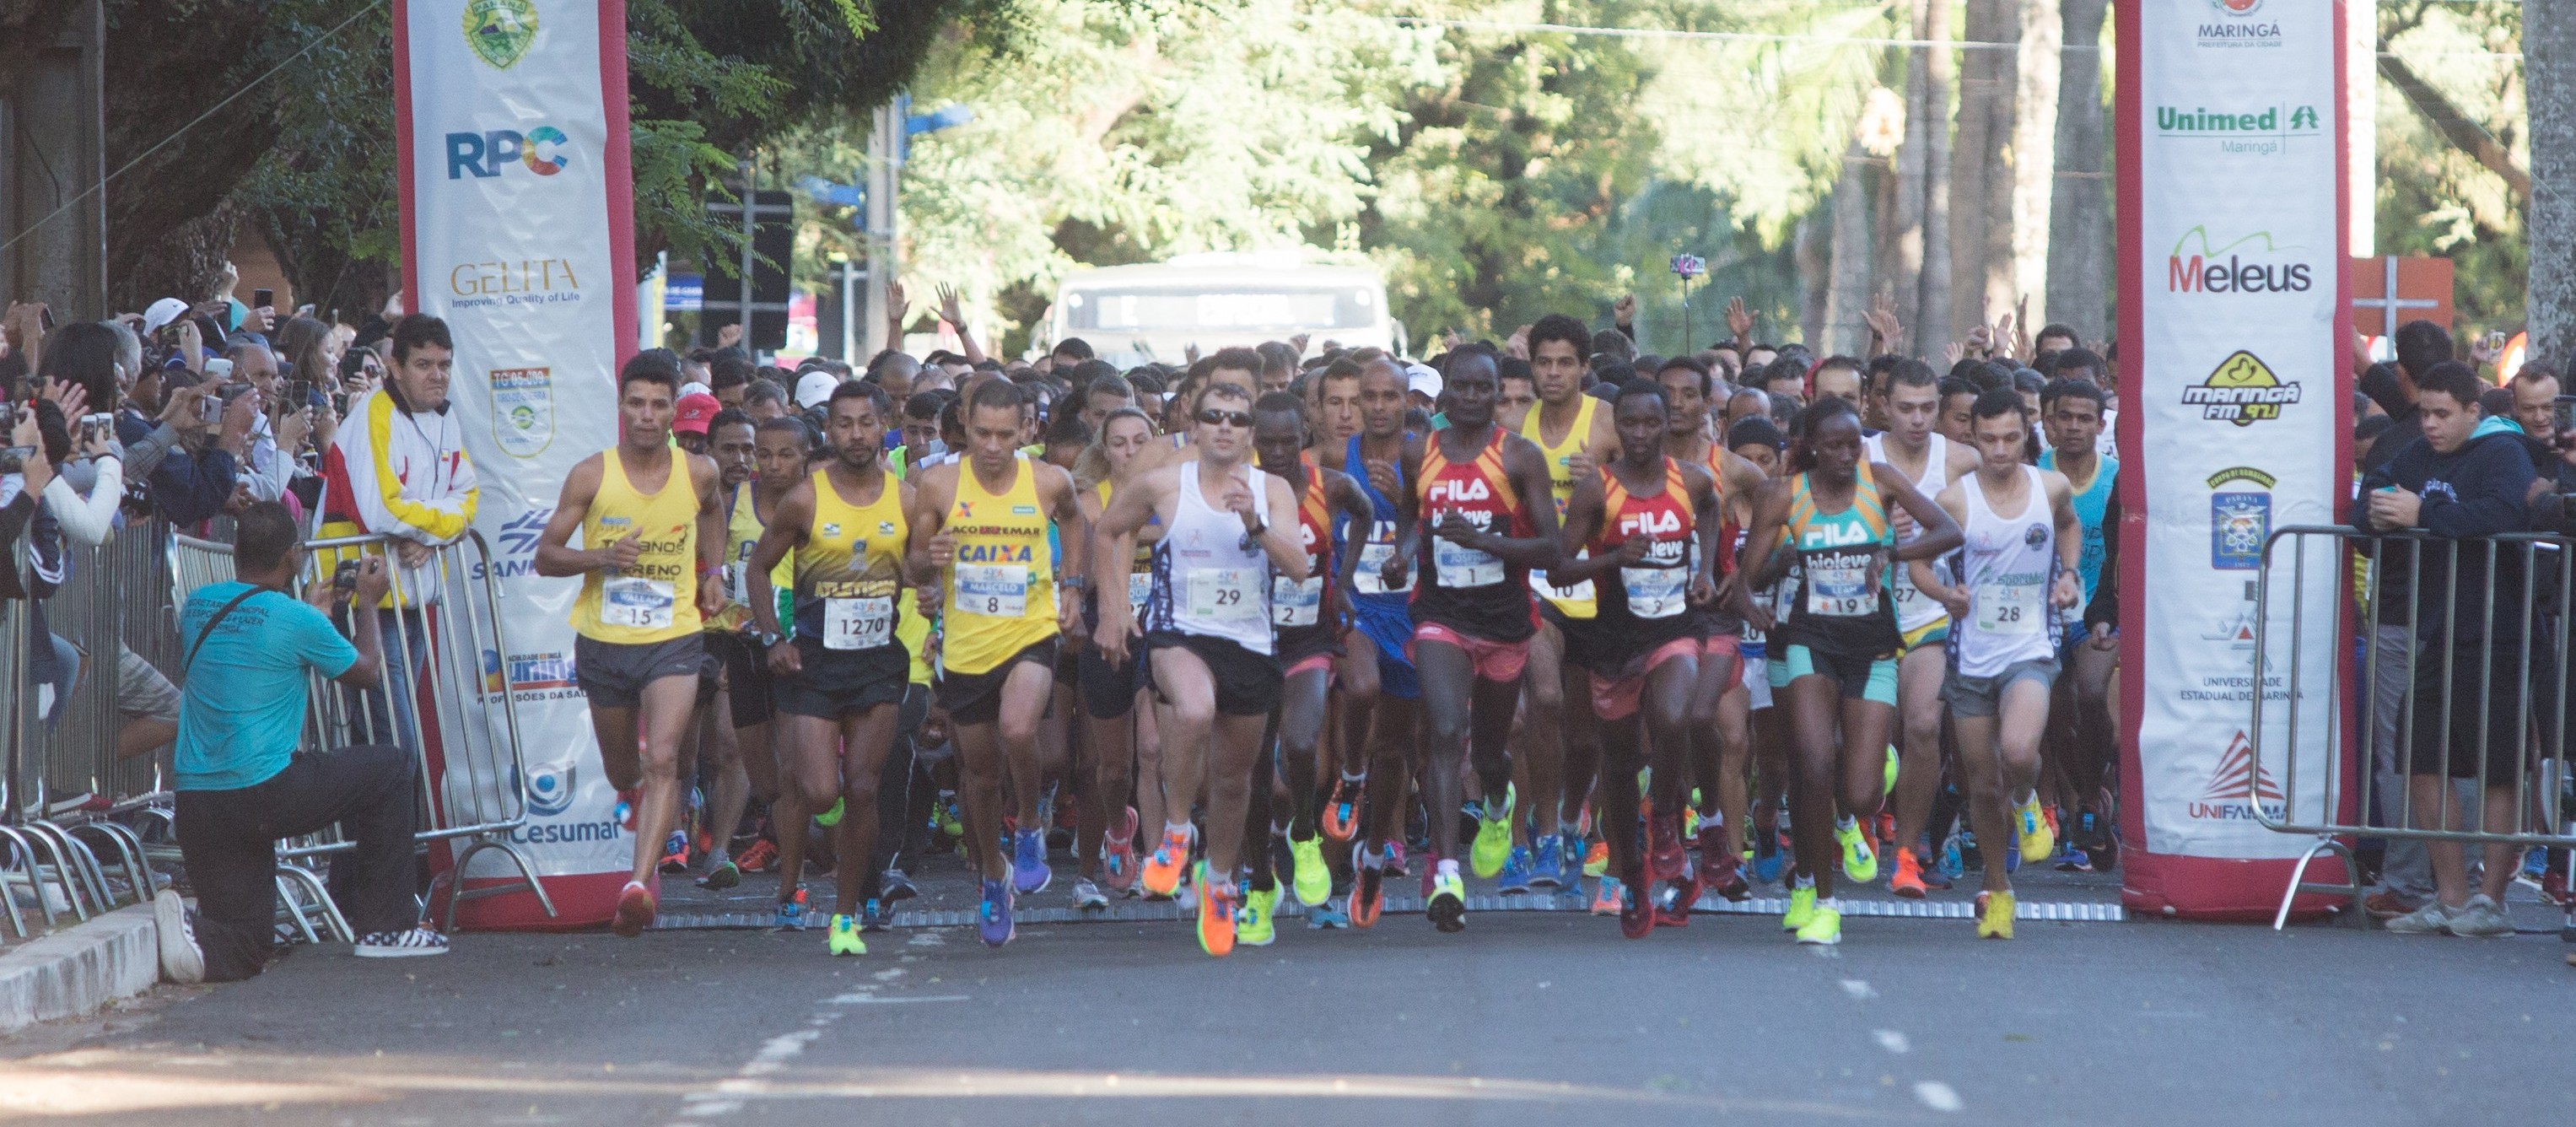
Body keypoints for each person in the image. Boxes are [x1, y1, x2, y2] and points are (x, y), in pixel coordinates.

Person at [157, 503, 444, 985]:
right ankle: (388, 929)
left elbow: (255, 636)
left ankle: (187, 933)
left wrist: (312, 614)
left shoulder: (199, 605)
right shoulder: (296, 620)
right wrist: (369, 603)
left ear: (234, 551)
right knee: (391, 767)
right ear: (294, 557)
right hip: (265, 792)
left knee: (248, 944)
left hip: (199, 804)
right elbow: (368, 673)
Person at [1733, 396, 1959, 945]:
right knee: (1811, 765)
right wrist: (1753, 604)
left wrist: (1894, 556)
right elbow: (1746, 577)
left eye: (1852, 444)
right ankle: (1818, 895)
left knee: (1858, 795)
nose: (1844, 456)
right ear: (1810, 446)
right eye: (1832, 446)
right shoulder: (1784, 494)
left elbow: (1948, 530)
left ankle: (1870, 766)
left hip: (1873, 646)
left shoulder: (1879, 480)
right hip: (1811, 640)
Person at [1093, 380, 1307, 957]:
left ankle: (1217, 884)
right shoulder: (1165, 483)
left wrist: (1256, 524)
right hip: (1179, 634)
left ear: (1250, 433)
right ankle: (1178, 831)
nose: (1224, 427)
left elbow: (1301, 567)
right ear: (1195, 420)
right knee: (1193, 707)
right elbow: (1108, 528)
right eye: (1214, 416)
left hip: (1249, 642)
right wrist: (1112, 610)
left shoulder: (1272, 489)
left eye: (1237, 419)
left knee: (1236, 780)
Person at [533, 352, 725, 937]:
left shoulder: (699, 472)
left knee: (663, 756)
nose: (647, 415)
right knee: (625, 770)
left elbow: (714, 514)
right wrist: (602, 558)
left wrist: (713, 573)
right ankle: (630, 798)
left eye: (659, 404)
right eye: (636, 403)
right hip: (605, 639)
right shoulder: (592, 475)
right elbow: (545, 556)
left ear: (674, 409)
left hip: (673, 635)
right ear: (621, 407)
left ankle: (638, 886)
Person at [907, 376, 1091, 947]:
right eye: (983, 433)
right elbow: (914, 564)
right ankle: (993, 875)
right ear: (965, 424)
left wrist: (1073, 586)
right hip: (965, 643)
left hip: (1030, 629)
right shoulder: (936, 484)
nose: (993, 446)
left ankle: (1031, 827)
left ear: (1027, 430)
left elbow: (1075, 521)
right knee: (979, 774)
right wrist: (928, 558)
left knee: (1018, 729)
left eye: (1006, 435)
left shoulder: (1047, 480)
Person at [2358, 361, 2532, 938]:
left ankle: (2491, 899)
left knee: (2497, 767)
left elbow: (2505, 513)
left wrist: (2422, 514)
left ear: (2472, 412)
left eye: (2442, 415)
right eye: (2425, 414)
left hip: (2499, 629)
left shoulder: (2502, 452)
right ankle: (2452, 895)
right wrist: (2383, 513)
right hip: (2437, 629)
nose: (2430, 426)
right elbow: (2372, 497)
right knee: (2420, 757)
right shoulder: (2417, 454)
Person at [1393, 349, 1561, 932]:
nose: (1469, 397)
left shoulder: (1519, 456)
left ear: (1497, 394)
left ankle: (1498, 800)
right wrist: (1402, 556)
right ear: (1444, 396)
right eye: (1459, 387)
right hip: (1441, 615)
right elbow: (1413, 522)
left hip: (1505, 621)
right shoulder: (1418, 453)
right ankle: (1445, 871)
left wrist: (1488, 544)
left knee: (1491, 751)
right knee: (1443, 731)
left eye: (1481, 388)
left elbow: (1552, 548)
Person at [744, 382, 915, 955]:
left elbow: (923, 571)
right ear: (829, 431)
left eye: (867, 422)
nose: (857, 435)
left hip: (878, 667)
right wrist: (774, 637)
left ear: (884, 425)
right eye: (844, 424)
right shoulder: (805, 500)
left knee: (863, 787)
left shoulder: (908, 500)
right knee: (820, 791)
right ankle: (823, 883)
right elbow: (759, 571)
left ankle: (845, 914)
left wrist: (934, 593)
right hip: (814, 664)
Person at [1552, 381, 1722, 936]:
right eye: (1632, 425)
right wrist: (1613, 559)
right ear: (1617, 428)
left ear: (1666, 423)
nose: (1643, 434)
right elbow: (1559, 567)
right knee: (1619, 768)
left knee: (1675, 716)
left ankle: (1668, 820)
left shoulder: (1690, 481)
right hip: (1614, 639)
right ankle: (1630, 876)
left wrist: (1704, 572)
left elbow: (1712, 511)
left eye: (1653, 423)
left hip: (1674, 627)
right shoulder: (1598, 492)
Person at [1921, 390, 2083, 939]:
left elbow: (2069, 525)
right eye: (1988, 439)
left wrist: (2069, 573)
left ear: (2026, 436)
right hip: (1971, 659)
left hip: (2029, 649)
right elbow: (1921, 562)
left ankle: (2029, 798)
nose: (2000, 449)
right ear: (1974, 439)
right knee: (1981, 786)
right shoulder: (1955, 499)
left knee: (2018, 751)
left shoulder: (2050, 485)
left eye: (2011, 438)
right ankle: (1997, 887)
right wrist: (1947, 597)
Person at [317, 312, 479, 752]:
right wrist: (440, 528)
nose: (438, 375)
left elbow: (469, 501)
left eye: (444, 364)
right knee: (394, 738)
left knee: (395, 739)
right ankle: (390, 824)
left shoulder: (447, 419)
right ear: (396, 367)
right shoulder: (376, 413)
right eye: (424, 365)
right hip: (360, 594)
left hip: (409, 594)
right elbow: (383, 511)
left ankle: (395, 822)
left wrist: (430, 534)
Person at [1248, 391, 1371, 938]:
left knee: (1301, 743)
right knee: (1253, 774)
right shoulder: (1237, 490)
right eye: (1266, 441)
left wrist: (1342, 584)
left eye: (1287, 440)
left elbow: (1364, 514)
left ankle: (1303, 831)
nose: (1276, 452)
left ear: (1304, 434)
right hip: (1249, 642)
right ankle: (1259, 880)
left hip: (1310, 641)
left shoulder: (1329, 486)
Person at [1652, 356, 1767, 902]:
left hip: (1713, 615)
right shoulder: (1632, 464)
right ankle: (1673, 832)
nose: (1677, 404)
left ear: (1707, 403)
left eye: (1688, 394)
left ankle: (1720, 833)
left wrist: (1742, 578)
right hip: (1648, 616)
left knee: (1710, 722)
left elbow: (1781, 516)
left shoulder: (1732, 468)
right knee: (1664, 733)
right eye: (1667, 393)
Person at [1312, 359, 1421, 926]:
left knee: (1394, 748)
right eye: (1365, 397)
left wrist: (1404, 503)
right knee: (1361, 686)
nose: (1374, 407)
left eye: (1385, 397)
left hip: (1408, 608)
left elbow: (1432, 519)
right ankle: (1350, 777)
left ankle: (1375, 855)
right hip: (1357, 601)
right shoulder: (1337, 456)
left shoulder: (1421, 454)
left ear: (1405, 400)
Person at [1864, 359, 1976, 897]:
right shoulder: (1858, 457)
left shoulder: (1962, 461)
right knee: (1867, 748)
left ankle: (1907, 854)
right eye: (1905, 408)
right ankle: (1859, 819)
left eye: (1928, 408)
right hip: (1865, 621)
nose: (1917, 419)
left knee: (1926, 728)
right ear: (1882, 405)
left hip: (1932, 616)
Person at [1514, 315, 1618, 893]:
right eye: (1544, 363)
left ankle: (1575, 810)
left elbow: (1644, 484)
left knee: (1586, 735)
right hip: (1539, 588)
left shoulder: (1605, 424)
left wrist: (1602, 477)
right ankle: (1547, 833)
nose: (1553, 374)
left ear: (1583, 368)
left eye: (1564, 363)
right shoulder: (1515, 427)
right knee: (1545, 698)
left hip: (1597, 588)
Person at [693, 411, 794, 895]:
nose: (742, 459)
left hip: (765, 640)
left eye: (749, 450)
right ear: (710, 450)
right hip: (708, 635)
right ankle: (682, 833)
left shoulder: (798, 505)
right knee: (692, 750)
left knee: (733, 748)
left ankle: (719, 851)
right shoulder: (717, 505)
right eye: (730, 449)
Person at [1070, 406, 1162, 908]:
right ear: (1104, 450)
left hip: (1158, 633)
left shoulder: (1170, 495)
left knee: (1152, 750)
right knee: (1114, 769)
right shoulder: (1088, 501)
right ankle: (1116, 826)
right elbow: (1086, 570)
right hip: (1106, 634)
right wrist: (1138, 531)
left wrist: (1129, 529)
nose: (1130, 451)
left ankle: (1155, 865)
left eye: (1139, 440)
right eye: (1119, 442)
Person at [2036, 378, 2118, 867]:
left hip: (2096, 616)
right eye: (2064, 416)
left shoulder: (2116, 477)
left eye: (2084, 418)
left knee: (2088, 694)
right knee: (2054, 714)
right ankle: (2086, 808)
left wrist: (2112, 610)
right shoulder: (2031, 475)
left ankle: (2093, 796)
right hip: (2038, 614)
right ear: (2048, 423)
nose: (2073, 426)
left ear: (2100, 425)